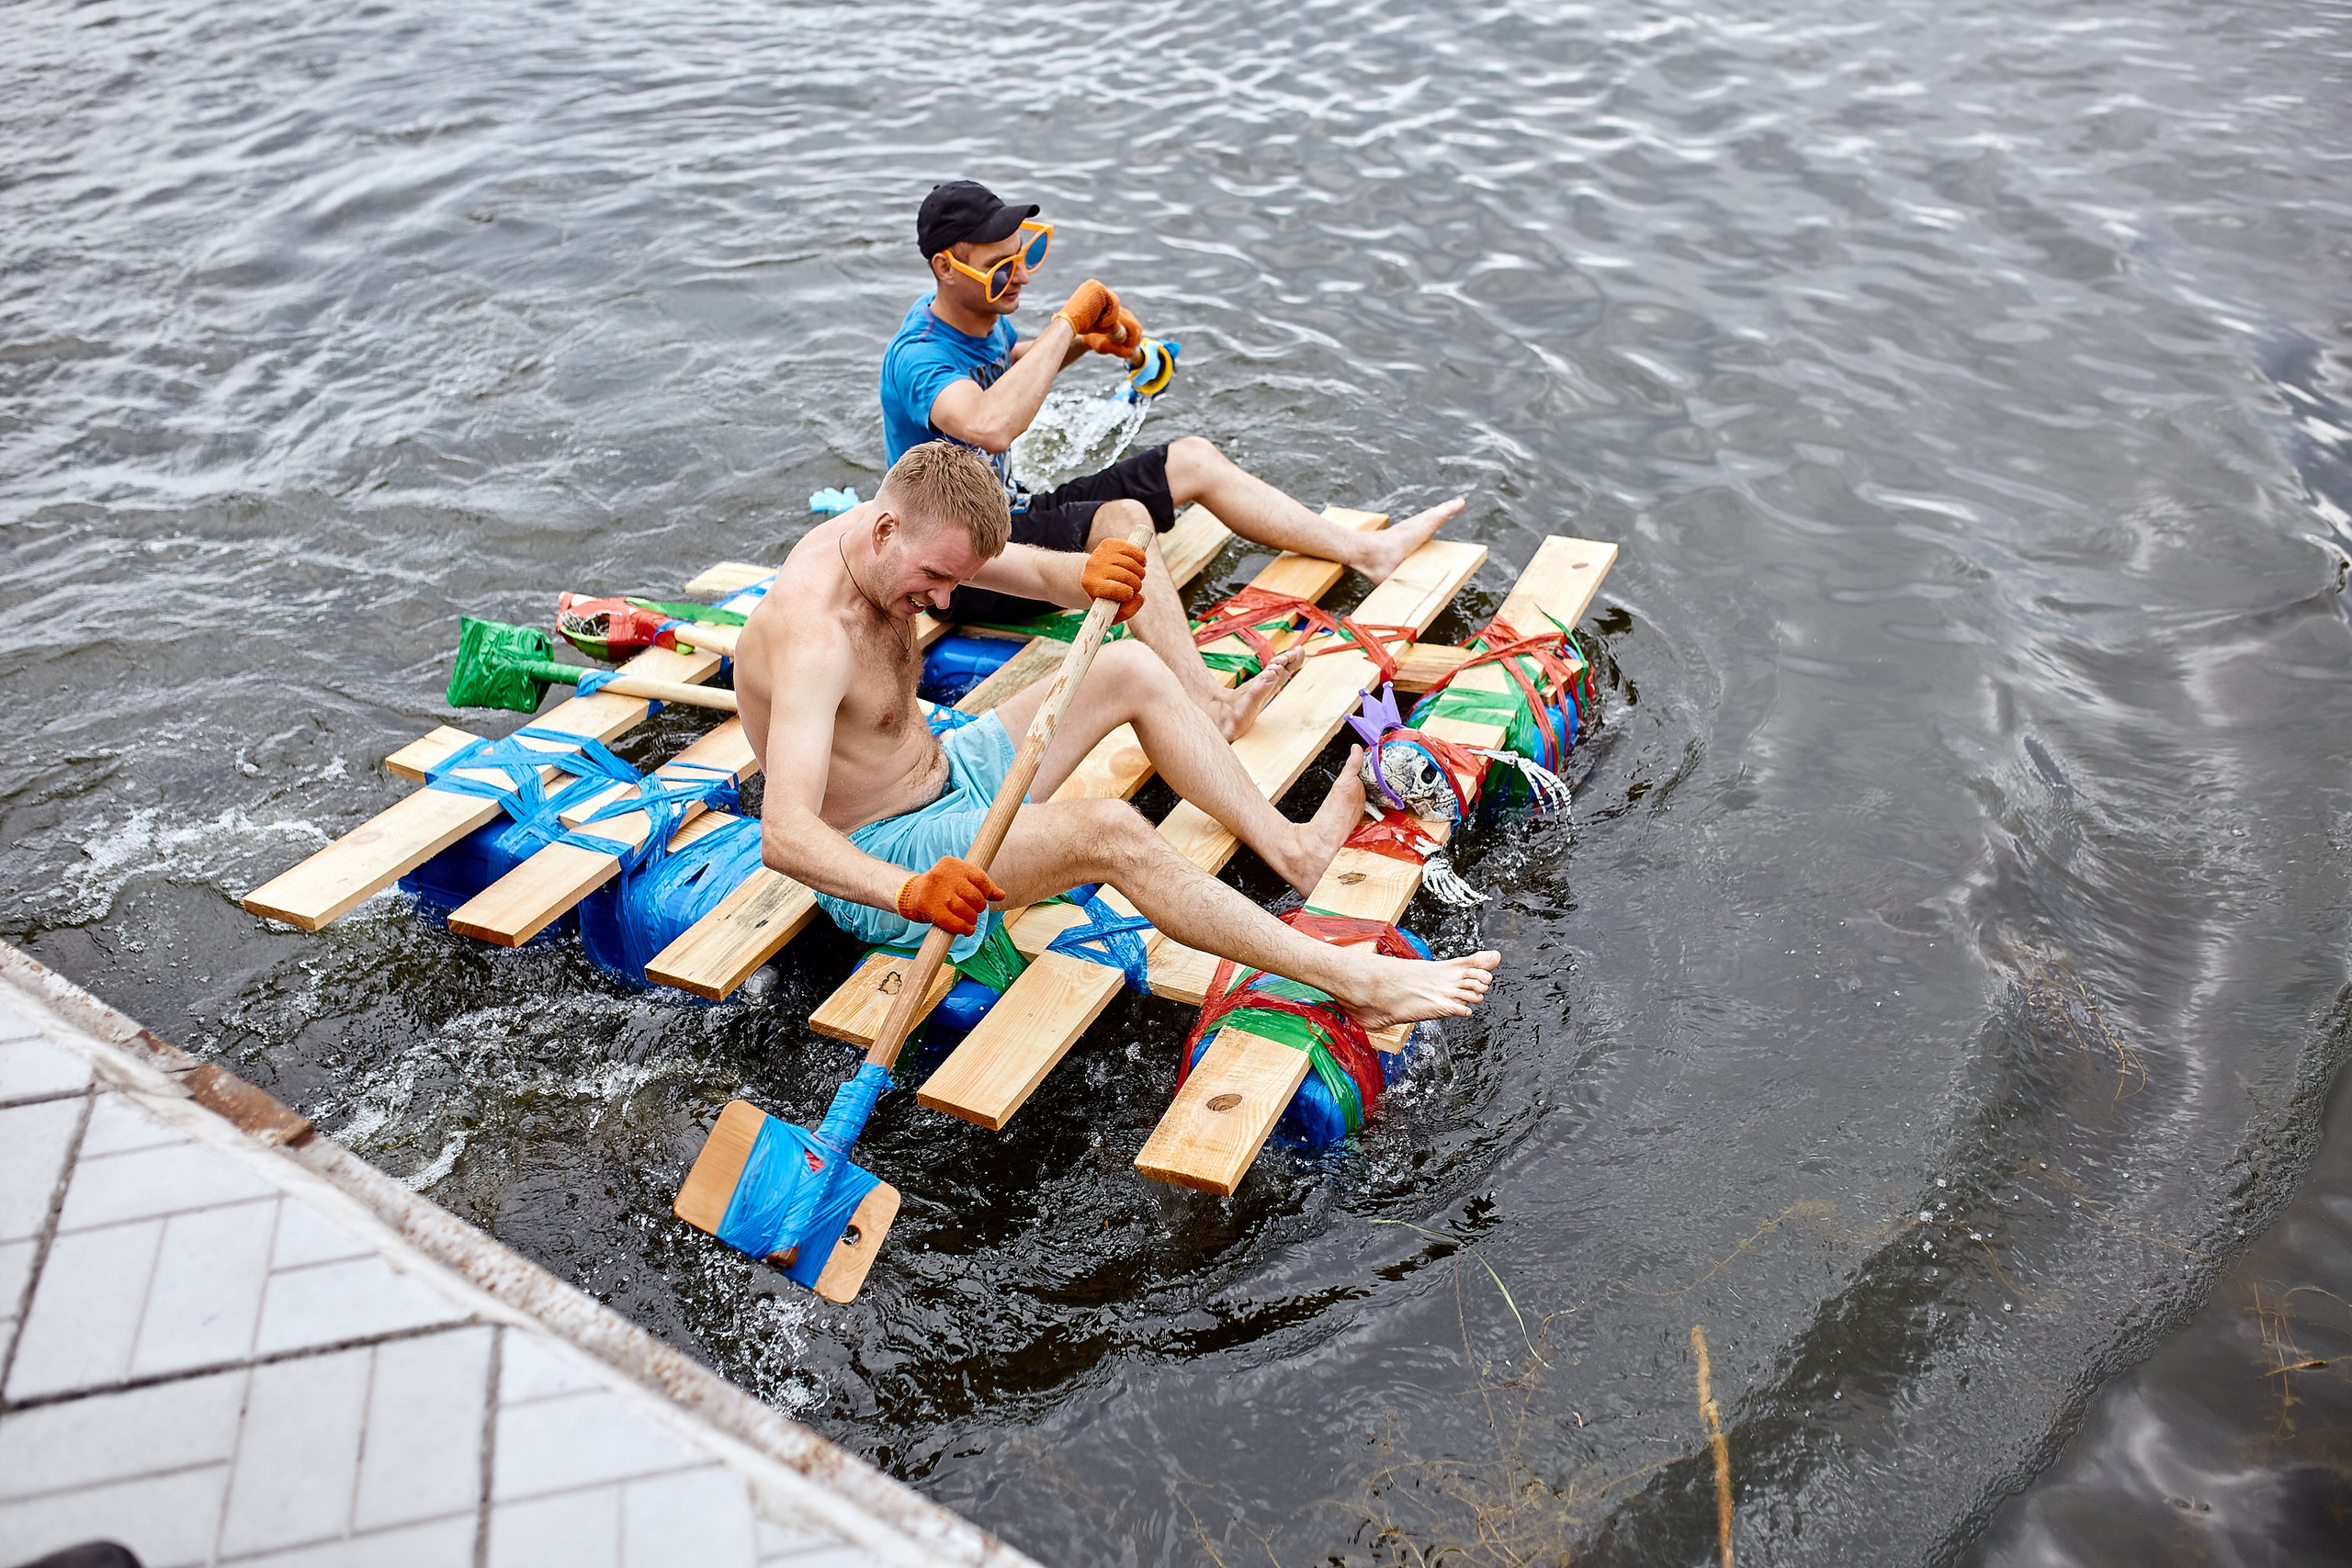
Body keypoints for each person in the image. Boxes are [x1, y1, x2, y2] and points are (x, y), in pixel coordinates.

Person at [734, 443, 1499, 1029]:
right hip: (889, 852)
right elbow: (787, 833)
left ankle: (1293, 850)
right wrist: (908, 890)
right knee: (1107, 829)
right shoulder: (811, 638)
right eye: (932, 579)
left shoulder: (892, 539)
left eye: (952, 581)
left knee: (1129, 662)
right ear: (886, 528)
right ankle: (1356, 983)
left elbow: (1031, 573)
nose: (940, 601)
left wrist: (1087, 576)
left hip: (947, 764)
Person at [878, 179, 1466, 742]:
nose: (1024, 275)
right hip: (963, 559)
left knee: (1192, 458)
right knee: (1122, 518)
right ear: (945, 268)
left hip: (1010, 510)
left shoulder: (982, 318)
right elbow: (989, 423)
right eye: (1003, 267)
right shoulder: (919, 355)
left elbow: (1011, 365)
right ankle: (1210, 708)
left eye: (1028, 252)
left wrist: (1090, 342)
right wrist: (1066, 322)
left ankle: (1369, 552)